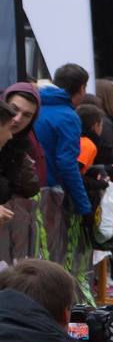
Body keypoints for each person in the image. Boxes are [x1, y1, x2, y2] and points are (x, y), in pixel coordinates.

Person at [33, 64, 92, 219]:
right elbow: (67, 163)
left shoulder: (34, 105)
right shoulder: (68, 117)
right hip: (50, 193)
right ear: (81, 88)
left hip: (27, 188)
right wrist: (83, 205)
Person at [1, 86, 40, 264]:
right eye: (14, 110)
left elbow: (32, 186)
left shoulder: (25, 145)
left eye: (27, 115)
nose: (17, 119)